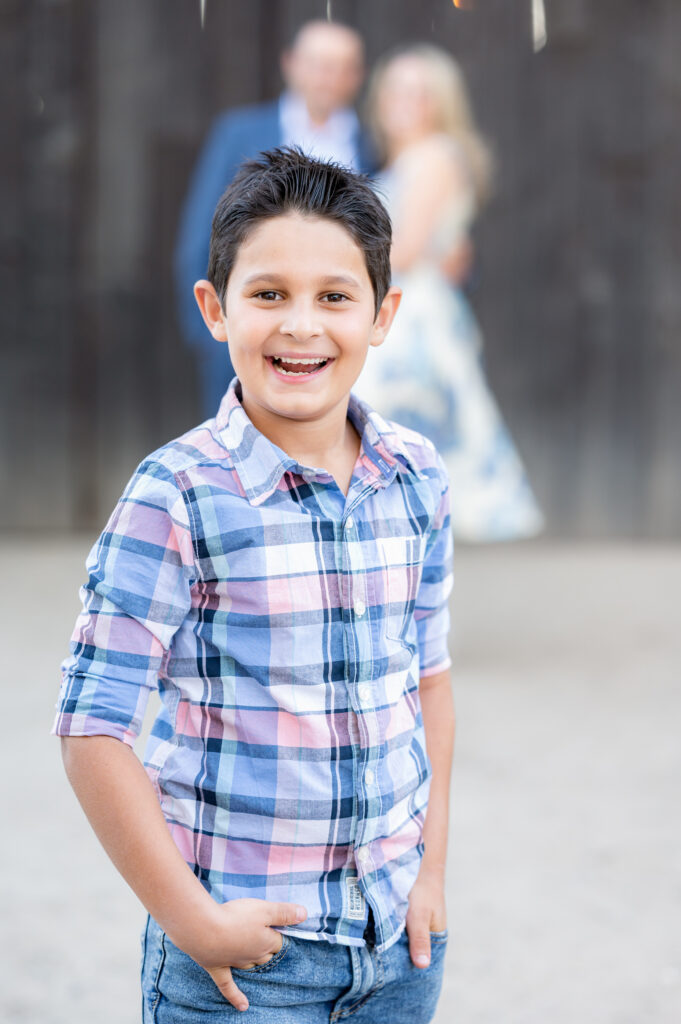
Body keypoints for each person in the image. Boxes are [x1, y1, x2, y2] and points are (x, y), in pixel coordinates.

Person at [54, 148, 455, 1023]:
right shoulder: (179, 494)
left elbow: (426, 677)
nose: (301, 326)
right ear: (214, 307)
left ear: (383, 313)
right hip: (244, 967)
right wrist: (191, 920)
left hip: (398, 951)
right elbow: (92, 724)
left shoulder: (415, 475)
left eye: (335, 297)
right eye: (268, 294)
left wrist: (428, 874)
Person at [356, 45, 544, 542]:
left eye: (419, 92)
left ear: (440, 102)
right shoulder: (400, 159)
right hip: (407, 303)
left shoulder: (433, 155)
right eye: (394, 89)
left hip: (413, 315)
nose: (403, 101)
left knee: (392, 422)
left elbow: (406, 250)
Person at [175, 20, 374, 417]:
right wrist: (213, 336)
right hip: (253, 333)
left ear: (357, 76)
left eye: (340, 67)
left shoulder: (373, 145)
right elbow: (201, 236)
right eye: (318, 64)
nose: (328, 78)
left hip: (342, 342)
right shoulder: (239, 133)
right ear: (291, 64)